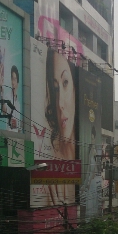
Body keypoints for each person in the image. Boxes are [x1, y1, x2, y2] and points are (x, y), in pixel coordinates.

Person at [44, 49, 77, 206]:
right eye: (55, 88)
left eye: (65, 83)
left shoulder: (88, 159)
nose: (60, 104)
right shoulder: (48, 167)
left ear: (75, 89)